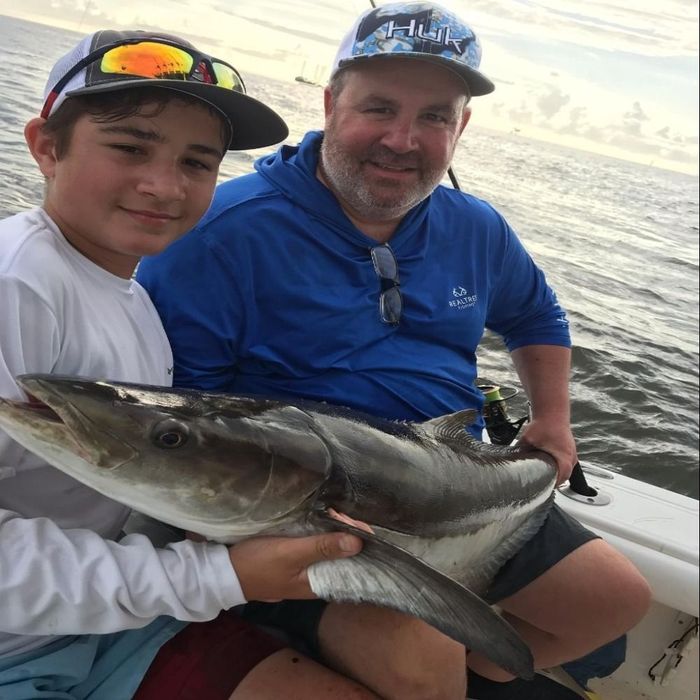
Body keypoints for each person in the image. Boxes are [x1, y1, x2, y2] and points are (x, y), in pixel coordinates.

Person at [137, 3, 652, 699]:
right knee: (419, 662)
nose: (403, 139)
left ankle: (483, 671)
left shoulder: (476, 227)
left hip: (457, 488)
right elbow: (192, 417)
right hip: (303, 509)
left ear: (461, 127)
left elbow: (536, 315)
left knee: (614, 600)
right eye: (379, 108)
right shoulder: (223, 234)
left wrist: (553, 421)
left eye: (435, 117)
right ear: (329, 104)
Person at [0, 28, 385, 700]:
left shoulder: (132, 297)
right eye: (130, 147)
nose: (163, 185)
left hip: (116, 624)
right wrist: (219, 580)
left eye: (197, 163)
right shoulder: (17, 283)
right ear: (45, 147)